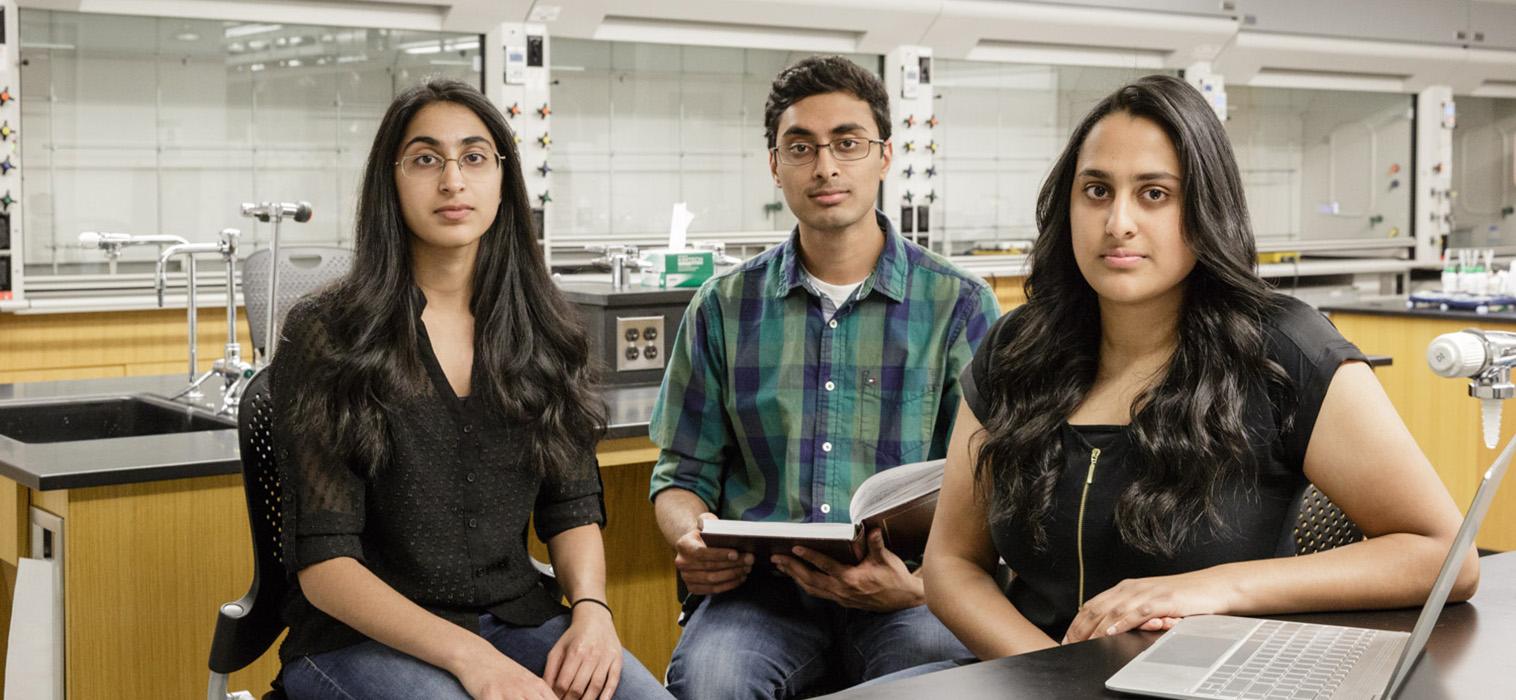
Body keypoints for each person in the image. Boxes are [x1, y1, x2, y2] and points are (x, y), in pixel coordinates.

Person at [917, 74, 1480, 669]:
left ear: (1205, 207)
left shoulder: (1283, 349)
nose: (1119, 223)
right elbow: (952, 565)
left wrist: (1215, 587)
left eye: (1155, 193)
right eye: (1097, 191)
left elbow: (1446, 554)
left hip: (1214, 680)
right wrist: (1051, 674)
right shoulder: (1016, 347)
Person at [270, 78, 671, 700]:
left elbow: (571, 509)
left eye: (474, 157)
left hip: (515, 618)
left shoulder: (543, 328)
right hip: (360, 640)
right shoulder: (328, 332)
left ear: (502, 179)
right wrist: (473, 661)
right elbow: (325, 566)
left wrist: (593, 613)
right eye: (426, 159)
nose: (452, 180)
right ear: (391, 180)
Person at [647, 55, 1000, 699]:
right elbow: (680, 476)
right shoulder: (723, 307)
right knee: (711, 681)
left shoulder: (961, 307)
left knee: (938, 685)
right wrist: (690, 537)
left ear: (886, 157)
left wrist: (921, 587)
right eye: (801, 147)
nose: (826, 167)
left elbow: (995, 489)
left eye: (848, 143)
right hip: (762, 595)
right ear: (776, 165)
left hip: (910, 589)